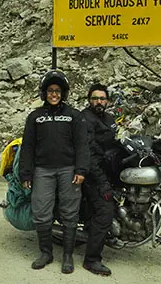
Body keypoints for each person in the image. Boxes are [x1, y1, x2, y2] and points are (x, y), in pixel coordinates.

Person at [18, 69, 90, 274]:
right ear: (44, 93)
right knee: (41, 213)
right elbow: (28, 147)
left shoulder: (73, 116)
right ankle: (45, 253)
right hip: (42, 171)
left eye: (58, 91)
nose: (54, 94)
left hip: (69, 171)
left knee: (70, 213)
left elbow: (82, 145)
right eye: (50, 90)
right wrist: (26, 174)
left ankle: (67, 256)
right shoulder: (35, 117)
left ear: (63, 93)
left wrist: (81, 169)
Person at [81, 83, 120, 276]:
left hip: (106, 169)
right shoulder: (85, 119)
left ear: (107, 101)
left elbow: (114, 143)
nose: (99, 101)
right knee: (105, 210)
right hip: (90, 172)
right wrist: (103, 183)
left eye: (102, 98)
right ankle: (91, 259)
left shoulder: (109, 118)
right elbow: (89, 155)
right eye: (95, 98)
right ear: (89, 100)